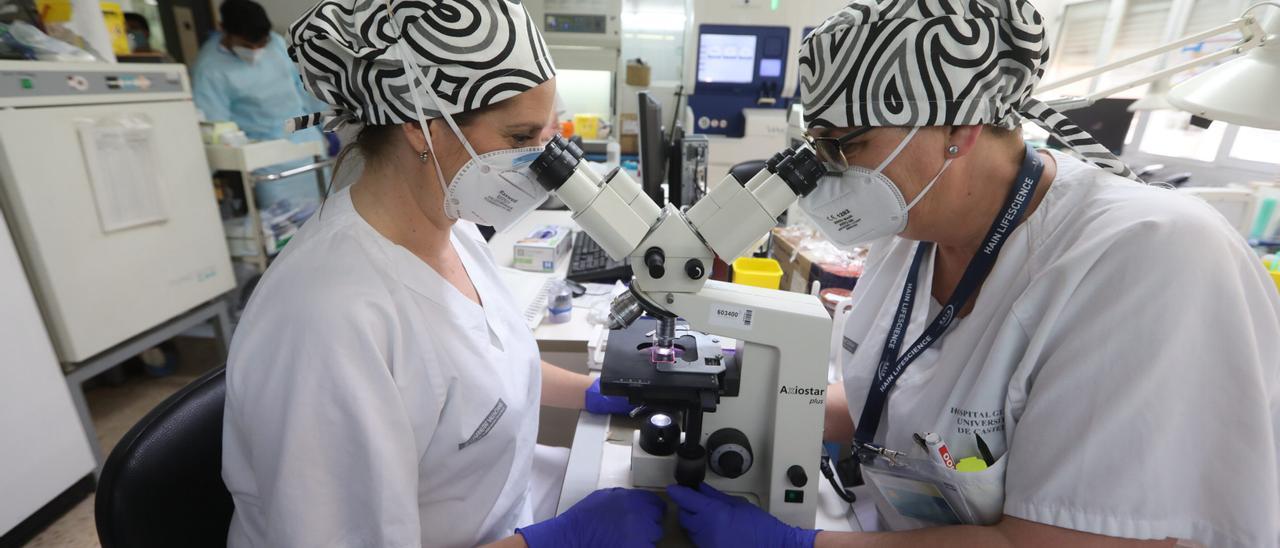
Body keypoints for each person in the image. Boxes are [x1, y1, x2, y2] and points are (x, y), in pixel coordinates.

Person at [666, 1, 1280, 547]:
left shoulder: (1148, 258)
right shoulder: (914, 226)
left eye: (845, 147)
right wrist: (713, 385)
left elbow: (1064, 539)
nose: (829, 174)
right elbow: (887, 403)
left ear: (958, 129)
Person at [221, 1, 660, 547]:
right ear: (420, 127)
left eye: (549, 133)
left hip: (503, 507)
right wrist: (557, 541)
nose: (543, 160)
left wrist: (595, 390)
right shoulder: (328, 320)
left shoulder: (453, 227)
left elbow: (473, 368)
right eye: (521, 138)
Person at [192, 0, 331, 211]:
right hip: (267, 164)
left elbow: (305, 86)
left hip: (309, 148)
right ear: (223, 30)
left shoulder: (276, 43)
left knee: (327, 216)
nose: (257, 50)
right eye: (248, 46)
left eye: (262, 43)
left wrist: (325, 123)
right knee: (285, 228)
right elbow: (216, 129)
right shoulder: (210, 70)